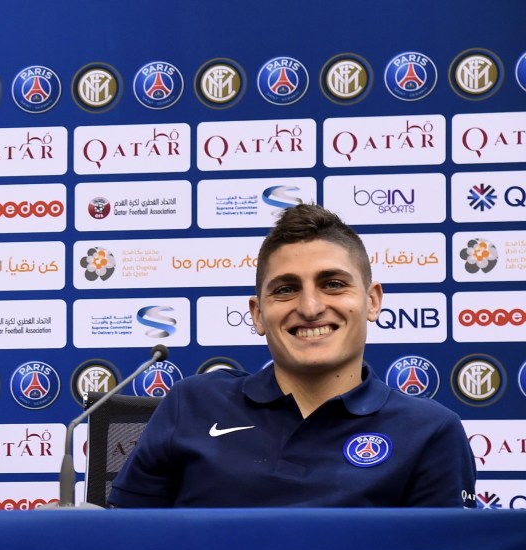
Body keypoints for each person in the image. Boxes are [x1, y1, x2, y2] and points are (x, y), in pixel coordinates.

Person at [109, 203, 476, 508]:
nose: (311, 307)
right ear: (257, 314)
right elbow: (124, 546)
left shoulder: (430, 431)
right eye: (286, 289)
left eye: (333, 284)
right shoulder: (190, 404)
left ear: (372, 300)